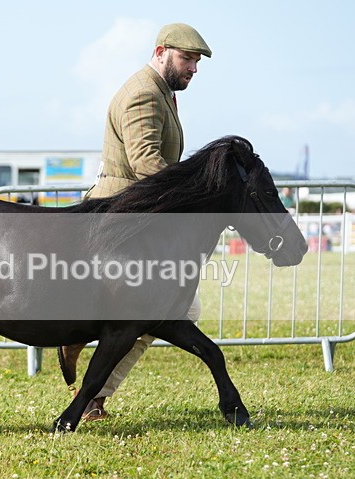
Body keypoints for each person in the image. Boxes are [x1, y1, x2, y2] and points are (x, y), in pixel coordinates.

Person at [59, 22, 212, 421]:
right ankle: (83, 362)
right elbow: (147, 162)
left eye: (196, 61)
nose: (193, 68)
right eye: (187, 58)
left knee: (171, 311)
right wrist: (192, 198)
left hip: (135, 213)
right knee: (173, 310)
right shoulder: (144, 92)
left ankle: (91, 385)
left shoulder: (161, 91)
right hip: (123, 214)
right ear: (161, 51)